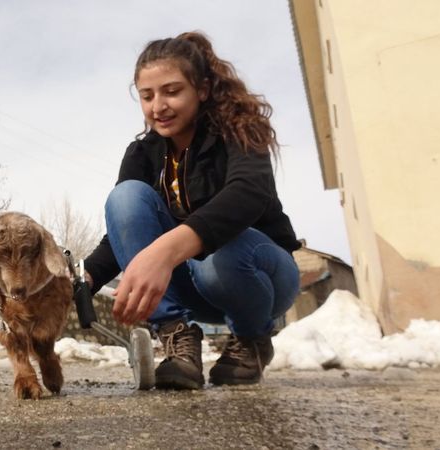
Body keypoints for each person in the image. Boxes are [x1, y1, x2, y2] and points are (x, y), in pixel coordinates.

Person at [82, 31, 301, 389]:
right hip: (191, 286)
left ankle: (251, 340)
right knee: (125, 197)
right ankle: (177, 338)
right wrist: (85, 279)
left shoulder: (240, 130)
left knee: (219, 257)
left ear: (201, 90)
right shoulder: (141, 154)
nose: (158, 107)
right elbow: (124, 231)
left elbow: (248, 194)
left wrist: (165, 251)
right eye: (147, 96)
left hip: (261, 276)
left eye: (172, 91)